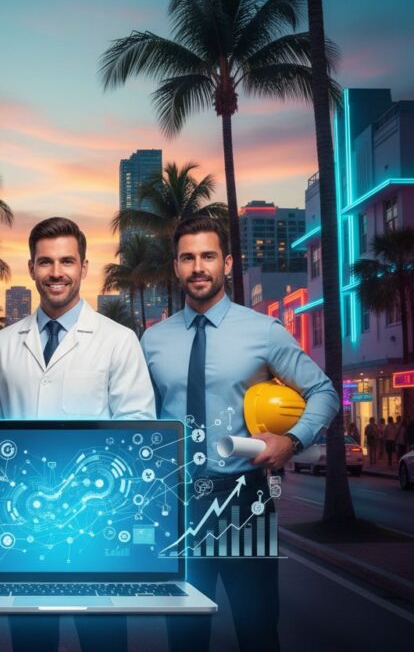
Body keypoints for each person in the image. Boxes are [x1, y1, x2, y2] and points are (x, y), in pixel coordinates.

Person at [140, 216, 340, 652]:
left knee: (256, 628)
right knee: (185, 635)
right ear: (175, 266)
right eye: (188, 257)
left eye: (208, 256)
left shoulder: (263, 332)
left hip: (243, 498)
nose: (198, 267)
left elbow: (324, 391)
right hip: (179, 503)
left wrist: (292, 441)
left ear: (226, 262)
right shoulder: (152, 341)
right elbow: (142, 418)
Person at [0, 216, 156, 652]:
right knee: (31, 642)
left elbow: (136, 429)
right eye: (46, 262)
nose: (57, 272)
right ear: (31, 267)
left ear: (84, 267)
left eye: (67, 261)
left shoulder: (118, 340)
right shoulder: (3, 343)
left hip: (96, 526)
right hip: (23, 521)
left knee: (104, 641)